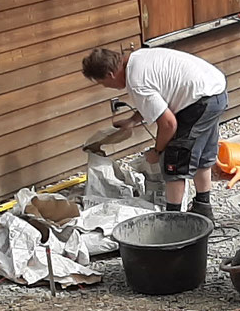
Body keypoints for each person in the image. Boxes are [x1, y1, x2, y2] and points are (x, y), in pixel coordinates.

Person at [82, 45, 228, 219]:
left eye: (103, 83)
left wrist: (157, 152)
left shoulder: (136, 82)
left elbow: (168, 124)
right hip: (215, 92)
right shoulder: (137, 58)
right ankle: (203, 207)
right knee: (202, 155)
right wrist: (132, 121)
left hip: (198, 102)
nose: (107, 87)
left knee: (173, 161)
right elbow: (159, 99)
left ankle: (172, 219)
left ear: (109, 75)